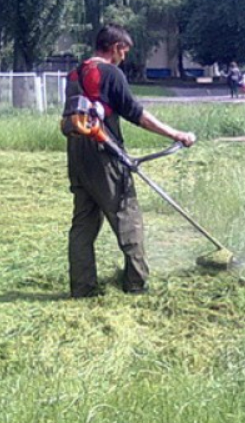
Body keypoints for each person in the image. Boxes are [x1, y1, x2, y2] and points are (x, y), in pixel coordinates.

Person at [64, 24, 197, 298]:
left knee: (84, 222)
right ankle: (136, 284)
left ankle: (83, 287)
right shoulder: (110, 73)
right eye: (124, 51)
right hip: (104, 154)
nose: (124, 57)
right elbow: (137, 114)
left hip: (76, 153)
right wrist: (176, 134)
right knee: (127, 215)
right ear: (115, 47)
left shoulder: (75, 74)